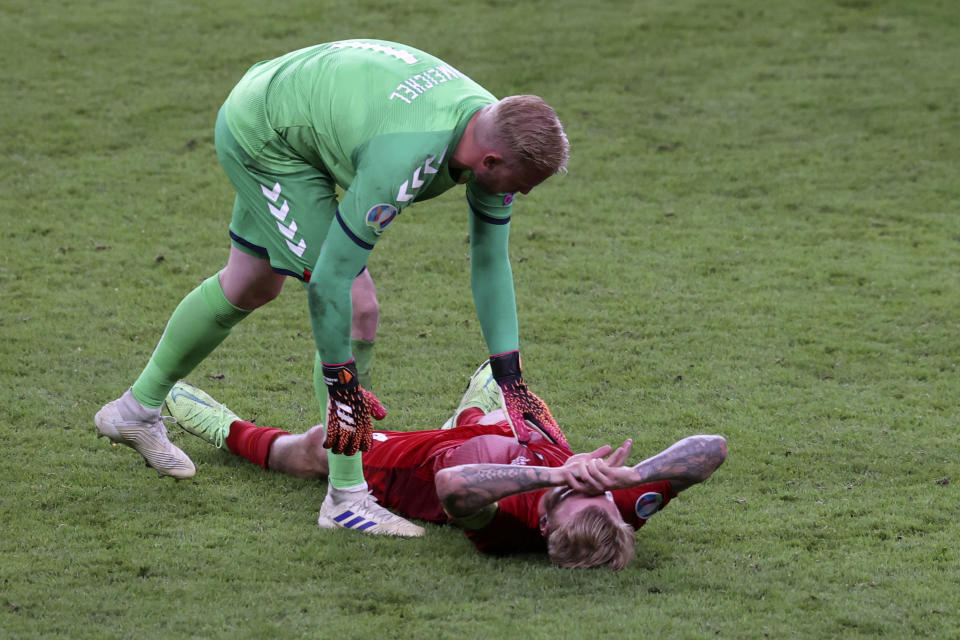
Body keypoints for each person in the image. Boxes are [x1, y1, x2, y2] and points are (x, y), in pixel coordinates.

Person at [94, 39, 571, 536]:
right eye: (524, 182)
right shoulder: (404, 160)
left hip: (296, 104)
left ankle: (135, 410)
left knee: (252, 283)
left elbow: (490, 259)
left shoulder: (492, 127)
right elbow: (330, 284)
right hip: (267, 132)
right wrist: (347, 391)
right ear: (491, 162)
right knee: (357, 304)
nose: (526, 194)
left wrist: (511, 379)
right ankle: (345, 498)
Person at [161, 364, 727, 565]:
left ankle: (226, 430)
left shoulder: (508, 530)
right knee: (503, 376)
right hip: (514, 436)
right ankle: (477, 410)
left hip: (426, 464)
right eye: (598, 493)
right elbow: (713, 447)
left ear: (547, 523)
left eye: (575, 493)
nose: (589, 484)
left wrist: (558, 475)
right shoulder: (614, 505)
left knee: (322, 446)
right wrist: (634, 476)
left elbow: (453, 486)